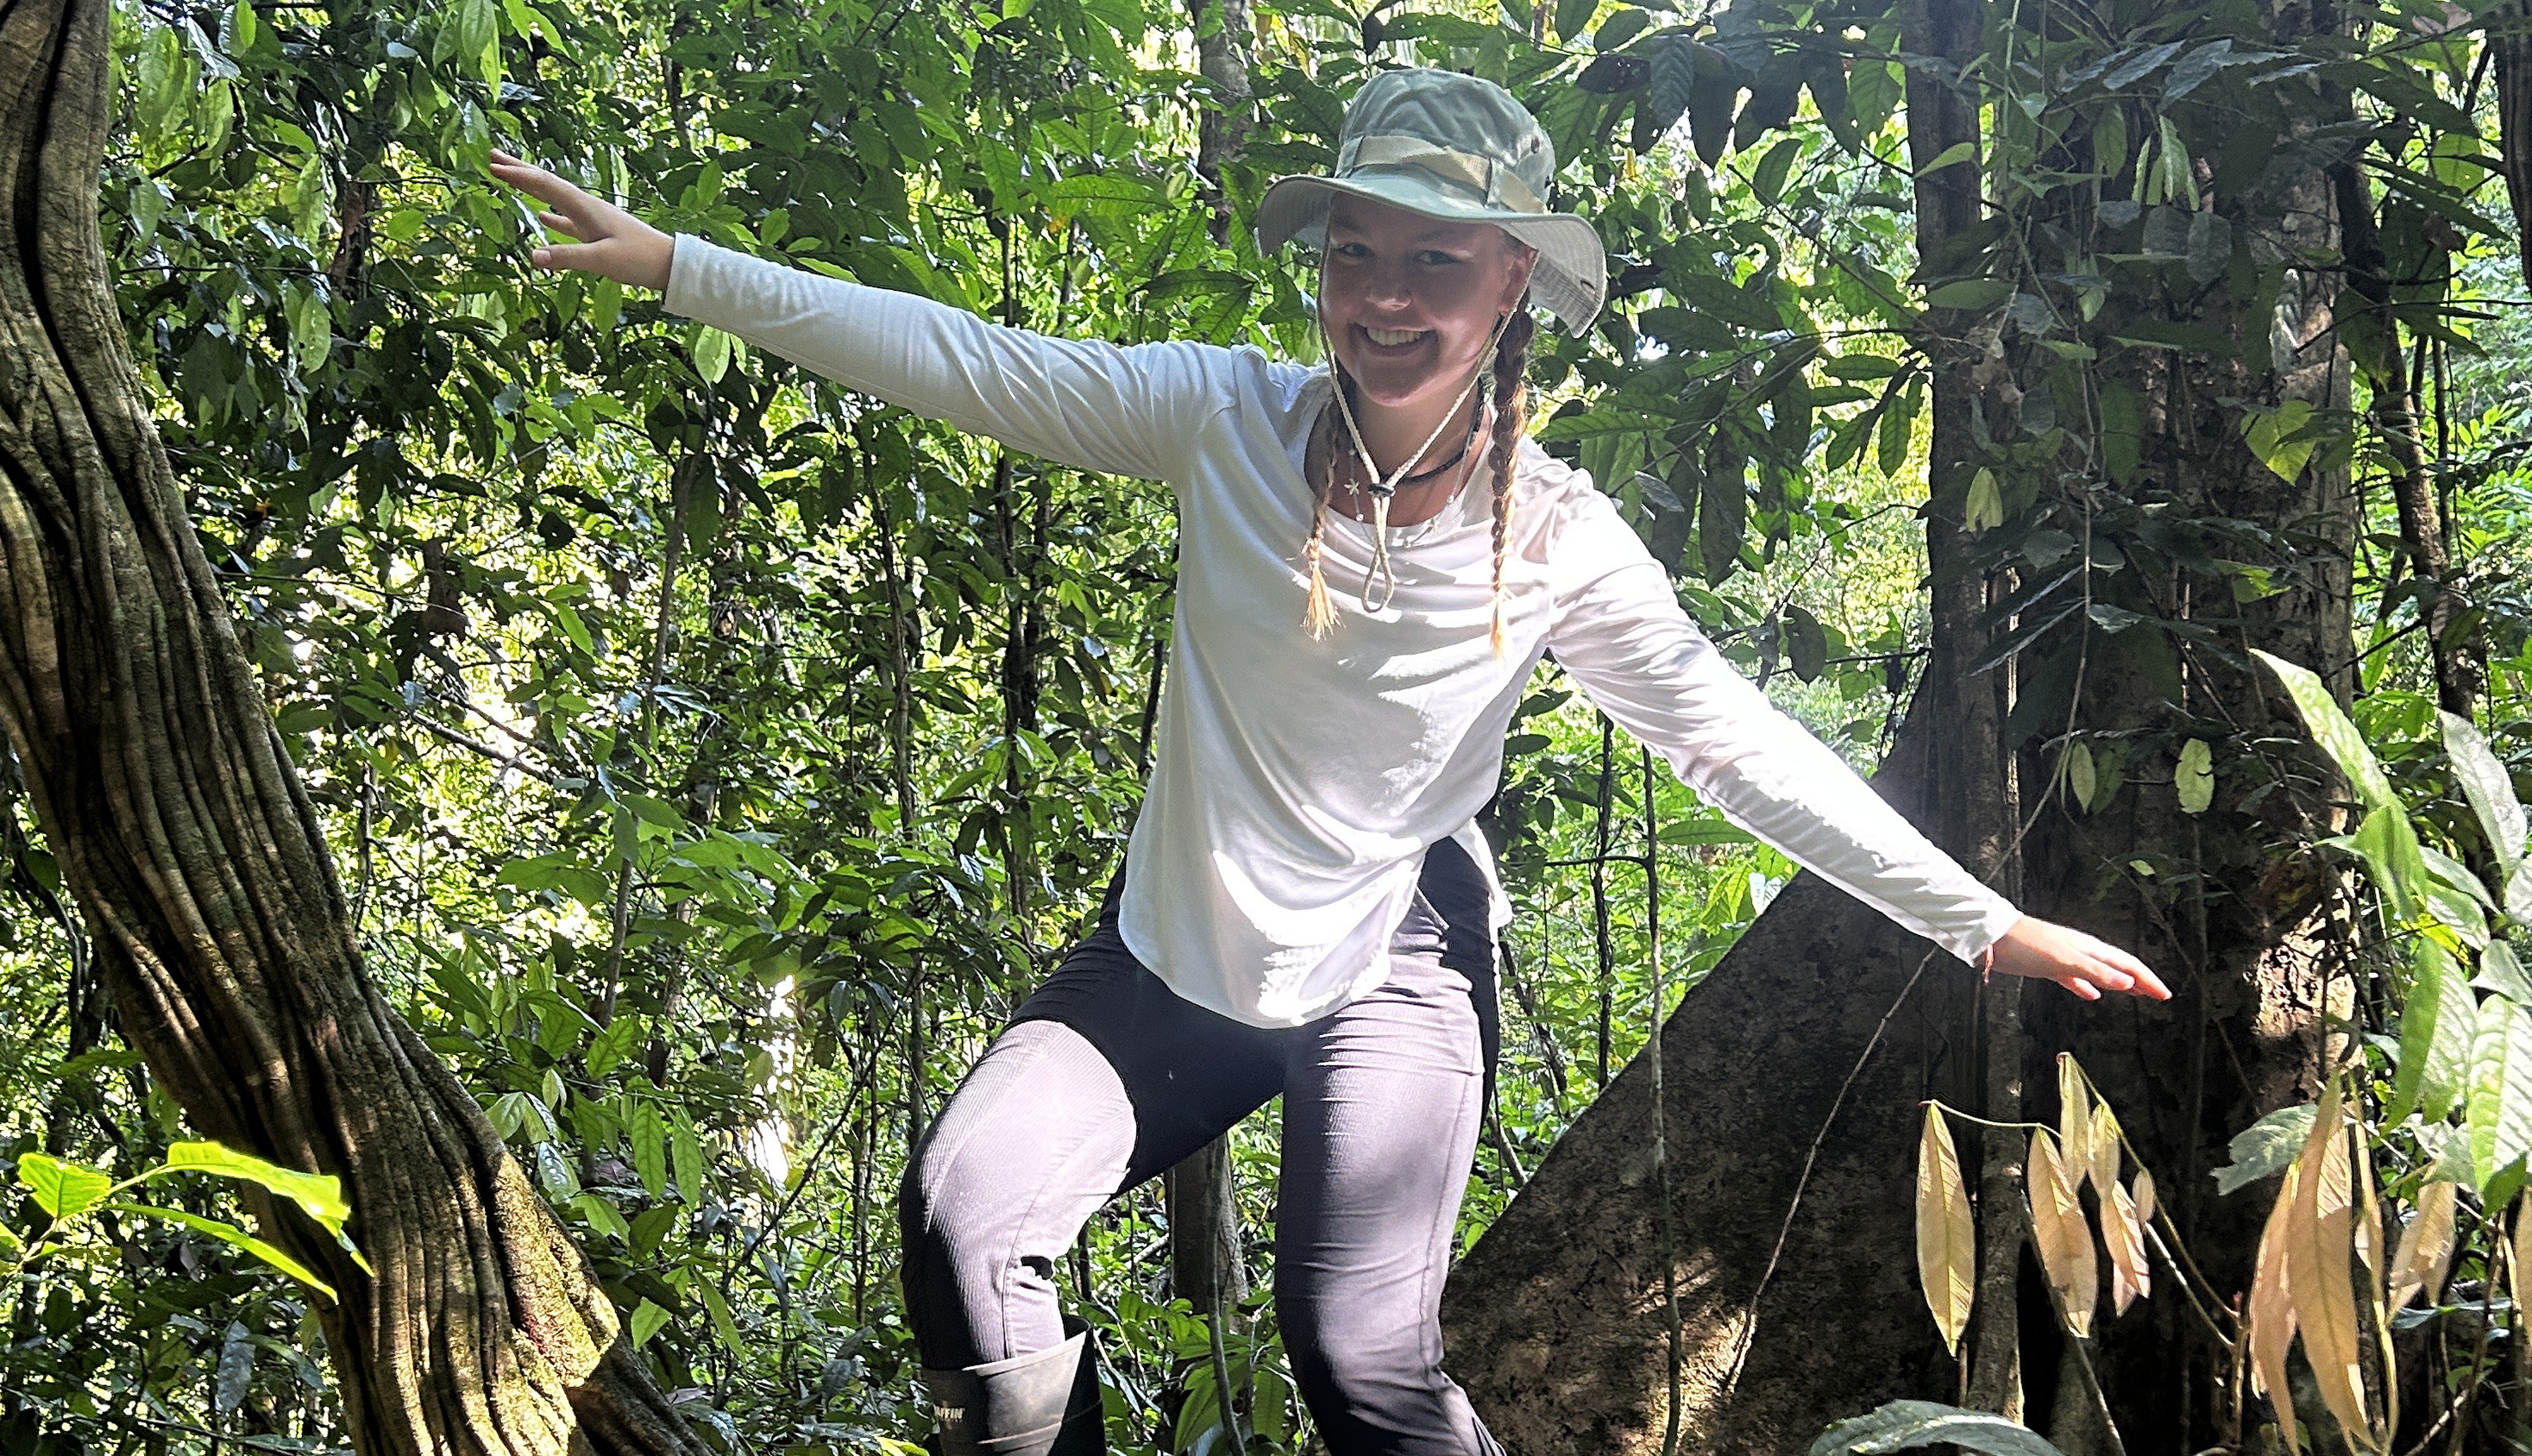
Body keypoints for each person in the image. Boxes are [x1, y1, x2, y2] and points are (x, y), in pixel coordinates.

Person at [492, 66, 2170, 1456]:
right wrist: (677, 267)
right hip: (1183, 956)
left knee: (1357, 1352)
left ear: (1512, 284)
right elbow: (968, 364)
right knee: (964, 1216)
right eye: (1356, 253)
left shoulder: (1561, 544)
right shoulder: (1216, 419)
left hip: (1394, 957)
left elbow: (1731, 740)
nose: (1381, 300)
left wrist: (1977, 921)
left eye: (1434, 264)